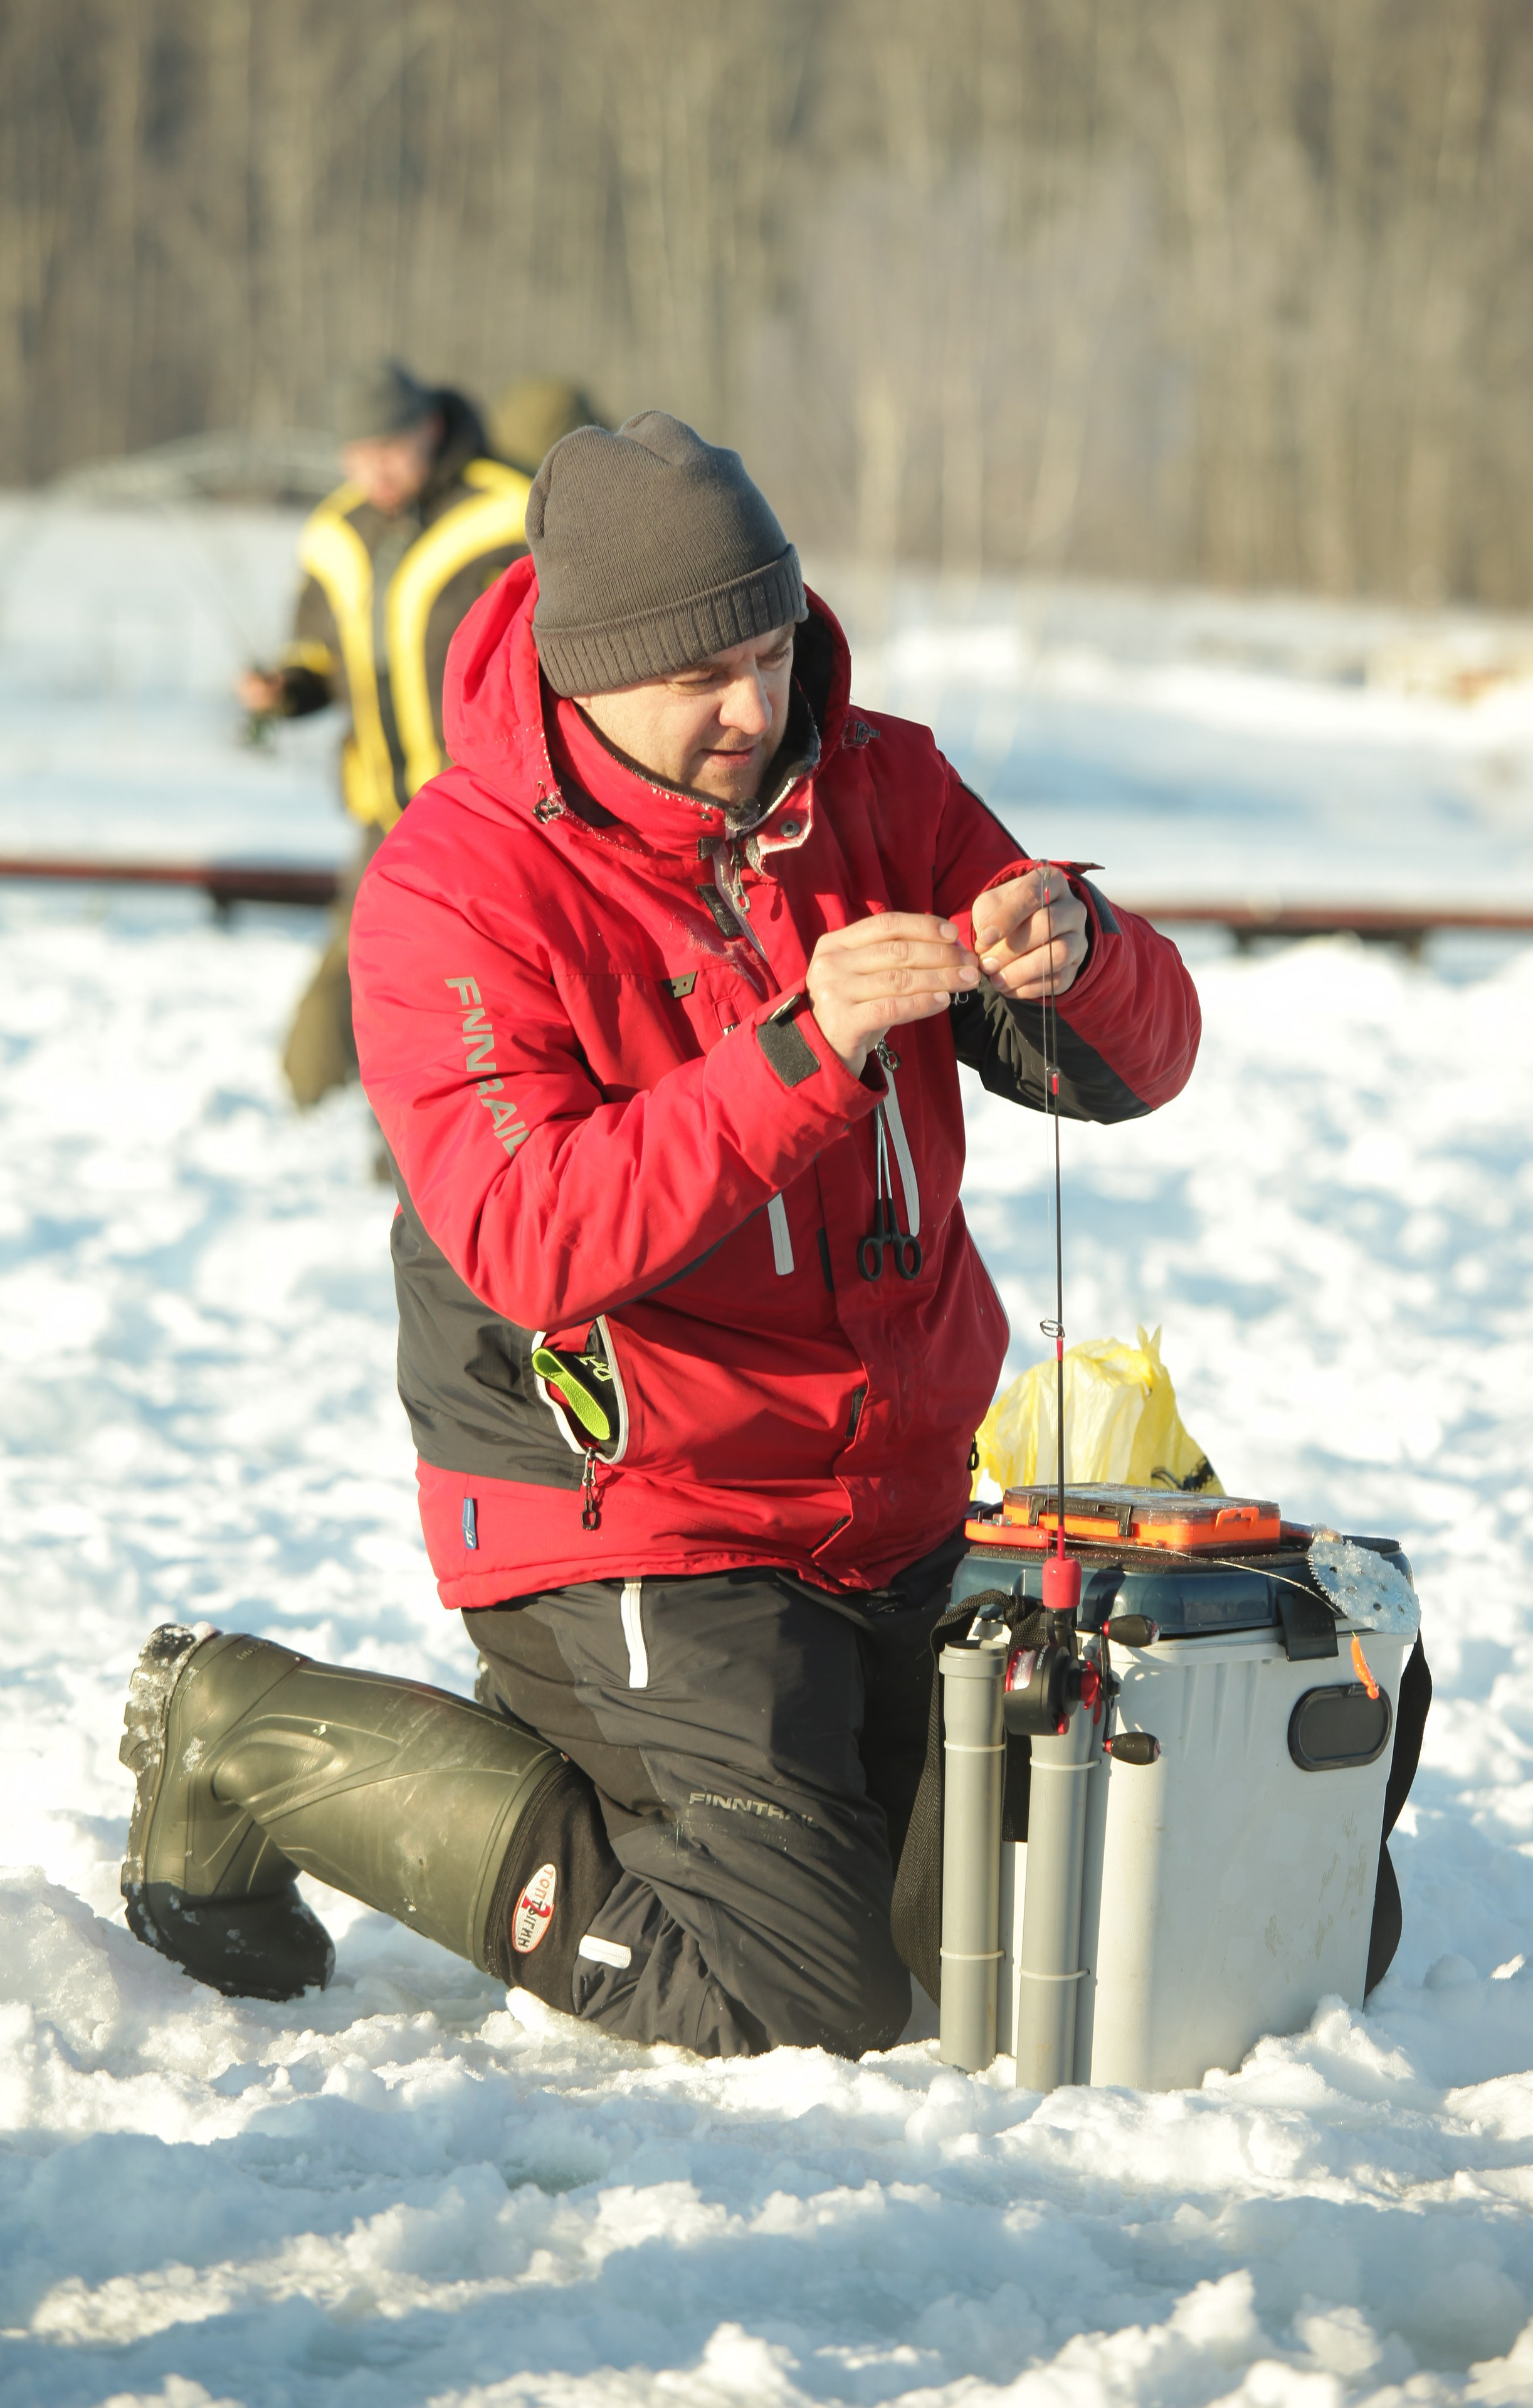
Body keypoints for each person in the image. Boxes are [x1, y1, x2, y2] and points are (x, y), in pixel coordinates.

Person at [122, 415, 1201, 2057]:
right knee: (799, 1999)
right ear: (584, 670)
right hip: (627, 1505)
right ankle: (242, 1733)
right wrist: (802, 1053)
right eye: (703, 673)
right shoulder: (448, 889)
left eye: (770, 649)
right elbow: (527, 1233)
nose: (755, 708)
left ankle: (666, 1771)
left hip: (883, 1500)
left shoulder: (881, 781)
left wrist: (1081, 946)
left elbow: (1150, 1060)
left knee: (1015, 1905)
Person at [240, 361, 531, 1108]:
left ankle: (458, 1136)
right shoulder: (338, 532)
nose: (374, 471)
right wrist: (288, 688)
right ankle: (313, 1109)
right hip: (385, 811)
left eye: (388, 450)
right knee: (365, 969)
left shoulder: (510, 510)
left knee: (478, 988)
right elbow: (322, 653)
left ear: (429, 429)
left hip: (493, 810)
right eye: (356, 456)